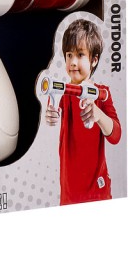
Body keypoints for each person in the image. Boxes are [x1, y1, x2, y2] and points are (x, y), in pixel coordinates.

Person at [46, 19, 121, 205]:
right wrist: (51, 115)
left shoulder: (102, 93)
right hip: (69, 193)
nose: (73, 62)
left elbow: (116, 136)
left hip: (97, 191)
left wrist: (98, 115)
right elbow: (52, 111)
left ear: (94, 60)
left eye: (80, 54)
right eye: (69, 55)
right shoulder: (62, 93)